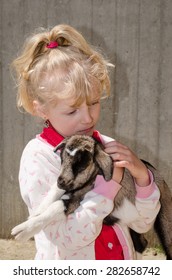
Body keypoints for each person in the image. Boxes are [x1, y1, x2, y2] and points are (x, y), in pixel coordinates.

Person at [12, 24, 160, 260]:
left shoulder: (108, 147)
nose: (88, 117)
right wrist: (107, 188)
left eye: (94, 103)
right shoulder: (39, 159)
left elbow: (142, 224)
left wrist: (143, 179)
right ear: (40, 109)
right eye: (72, 111)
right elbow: (68, 239)